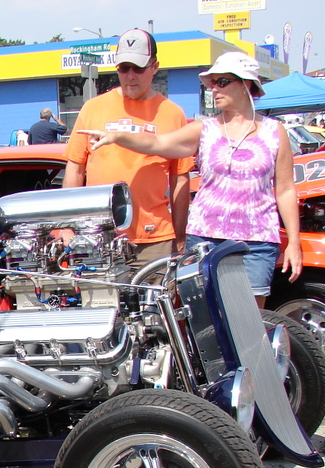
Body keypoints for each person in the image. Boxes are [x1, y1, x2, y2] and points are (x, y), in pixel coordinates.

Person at [78, 51, 302, 305]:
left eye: (222, 82)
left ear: (246, 84)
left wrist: (294, 242)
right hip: (205, 238)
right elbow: (158, 143)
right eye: (212, 83)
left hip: (257, 241)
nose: (214, 89)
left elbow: (285, 189)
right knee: (203, 318)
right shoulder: (204, 129)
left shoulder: (274, 131)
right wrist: (118, 136)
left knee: (249, 318)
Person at [62, 27, 192, 264]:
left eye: (138, 68)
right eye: (124, 68)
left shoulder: (172, 114)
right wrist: (68, 225)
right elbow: (76, 167)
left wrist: (180, 236)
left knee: (156, 290)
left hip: (154, 240)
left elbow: (180, 179)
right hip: (98, 237)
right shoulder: (93, 108)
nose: (131, 75)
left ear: (155, 67)